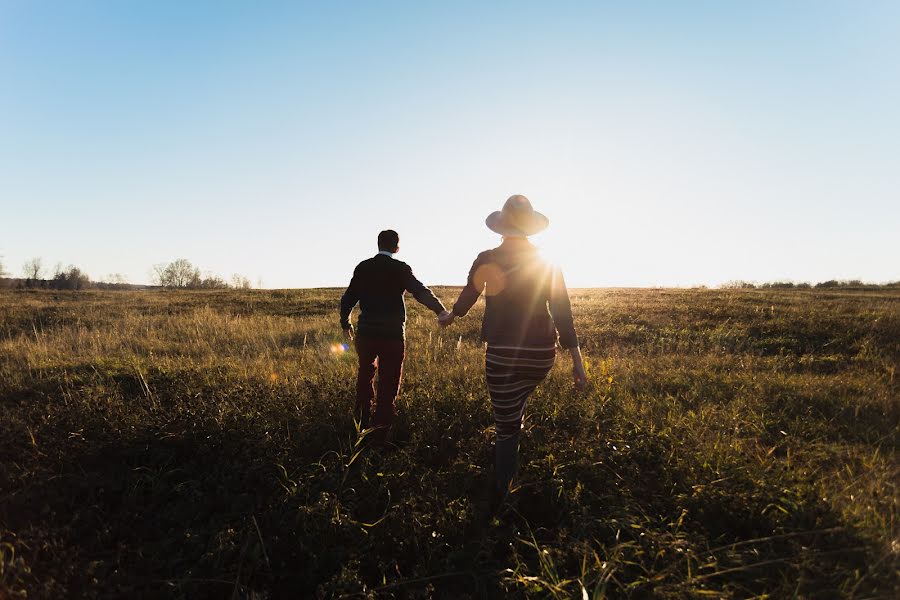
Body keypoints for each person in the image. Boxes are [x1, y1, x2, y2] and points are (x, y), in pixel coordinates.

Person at [438, 195, 587, 502]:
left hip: (503, 353)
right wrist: (577, 361)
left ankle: (503, 495)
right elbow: (562, 310)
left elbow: (469, 295)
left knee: (505, 428)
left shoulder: (487, 258)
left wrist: (450, 316)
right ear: (531, 228)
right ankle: (514, 426)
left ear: (501, 228)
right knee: (517, 400)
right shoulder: (547, 262)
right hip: (541, 356)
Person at [340, 229, 451, 445]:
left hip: (366, 333)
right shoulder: (400, 268)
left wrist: (346, 322)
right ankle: (380, 435)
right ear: (397, 248)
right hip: (392, 335)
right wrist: (440, 311)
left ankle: (360, 425)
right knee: (389, 383)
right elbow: (420, 291)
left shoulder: (363, 267)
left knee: (365, 375)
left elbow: (348, 298)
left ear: (378, 244)